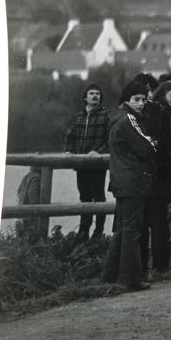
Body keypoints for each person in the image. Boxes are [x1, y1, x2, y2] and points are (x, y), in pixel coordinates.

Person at [101, 81, 157, 291]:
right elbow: (147, 146)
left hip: (121, 180)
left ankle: (110, 275)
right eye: (136, 99)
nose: (141, 103)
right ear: (127, 101)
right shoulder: (129, 120)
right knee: (132, 230)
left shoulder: (116, 119)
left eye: (143, 99)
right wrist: (152, 142)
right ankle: (130, 278)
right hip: (133, 181)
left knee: (123, 229)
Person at [139, 80, 171, 274]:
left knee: (149, 220)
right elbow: (162, 150)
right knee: (159, 221)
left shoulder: (153, 111)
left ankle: (146, 265)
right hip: (160, 175)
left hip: (148, 174)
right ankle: (161, 265)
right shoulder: (163, 115)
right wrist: (170, 175)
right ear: (162, 96)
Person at [63, 83, 110, 241]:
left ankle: (98, 233)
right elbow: (69, 136)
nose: (95, 96)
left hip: (97, 164)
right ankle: (83, 232)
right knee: (84, 197)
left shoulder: (106, 116)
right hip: (81, 164)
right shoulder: (78, 117)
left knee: (99, 198)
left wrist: (99, 153)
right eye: (91, 93)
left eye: (97, 93)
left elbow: (111, 140)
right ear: (85, 97)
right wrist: (69, 151)